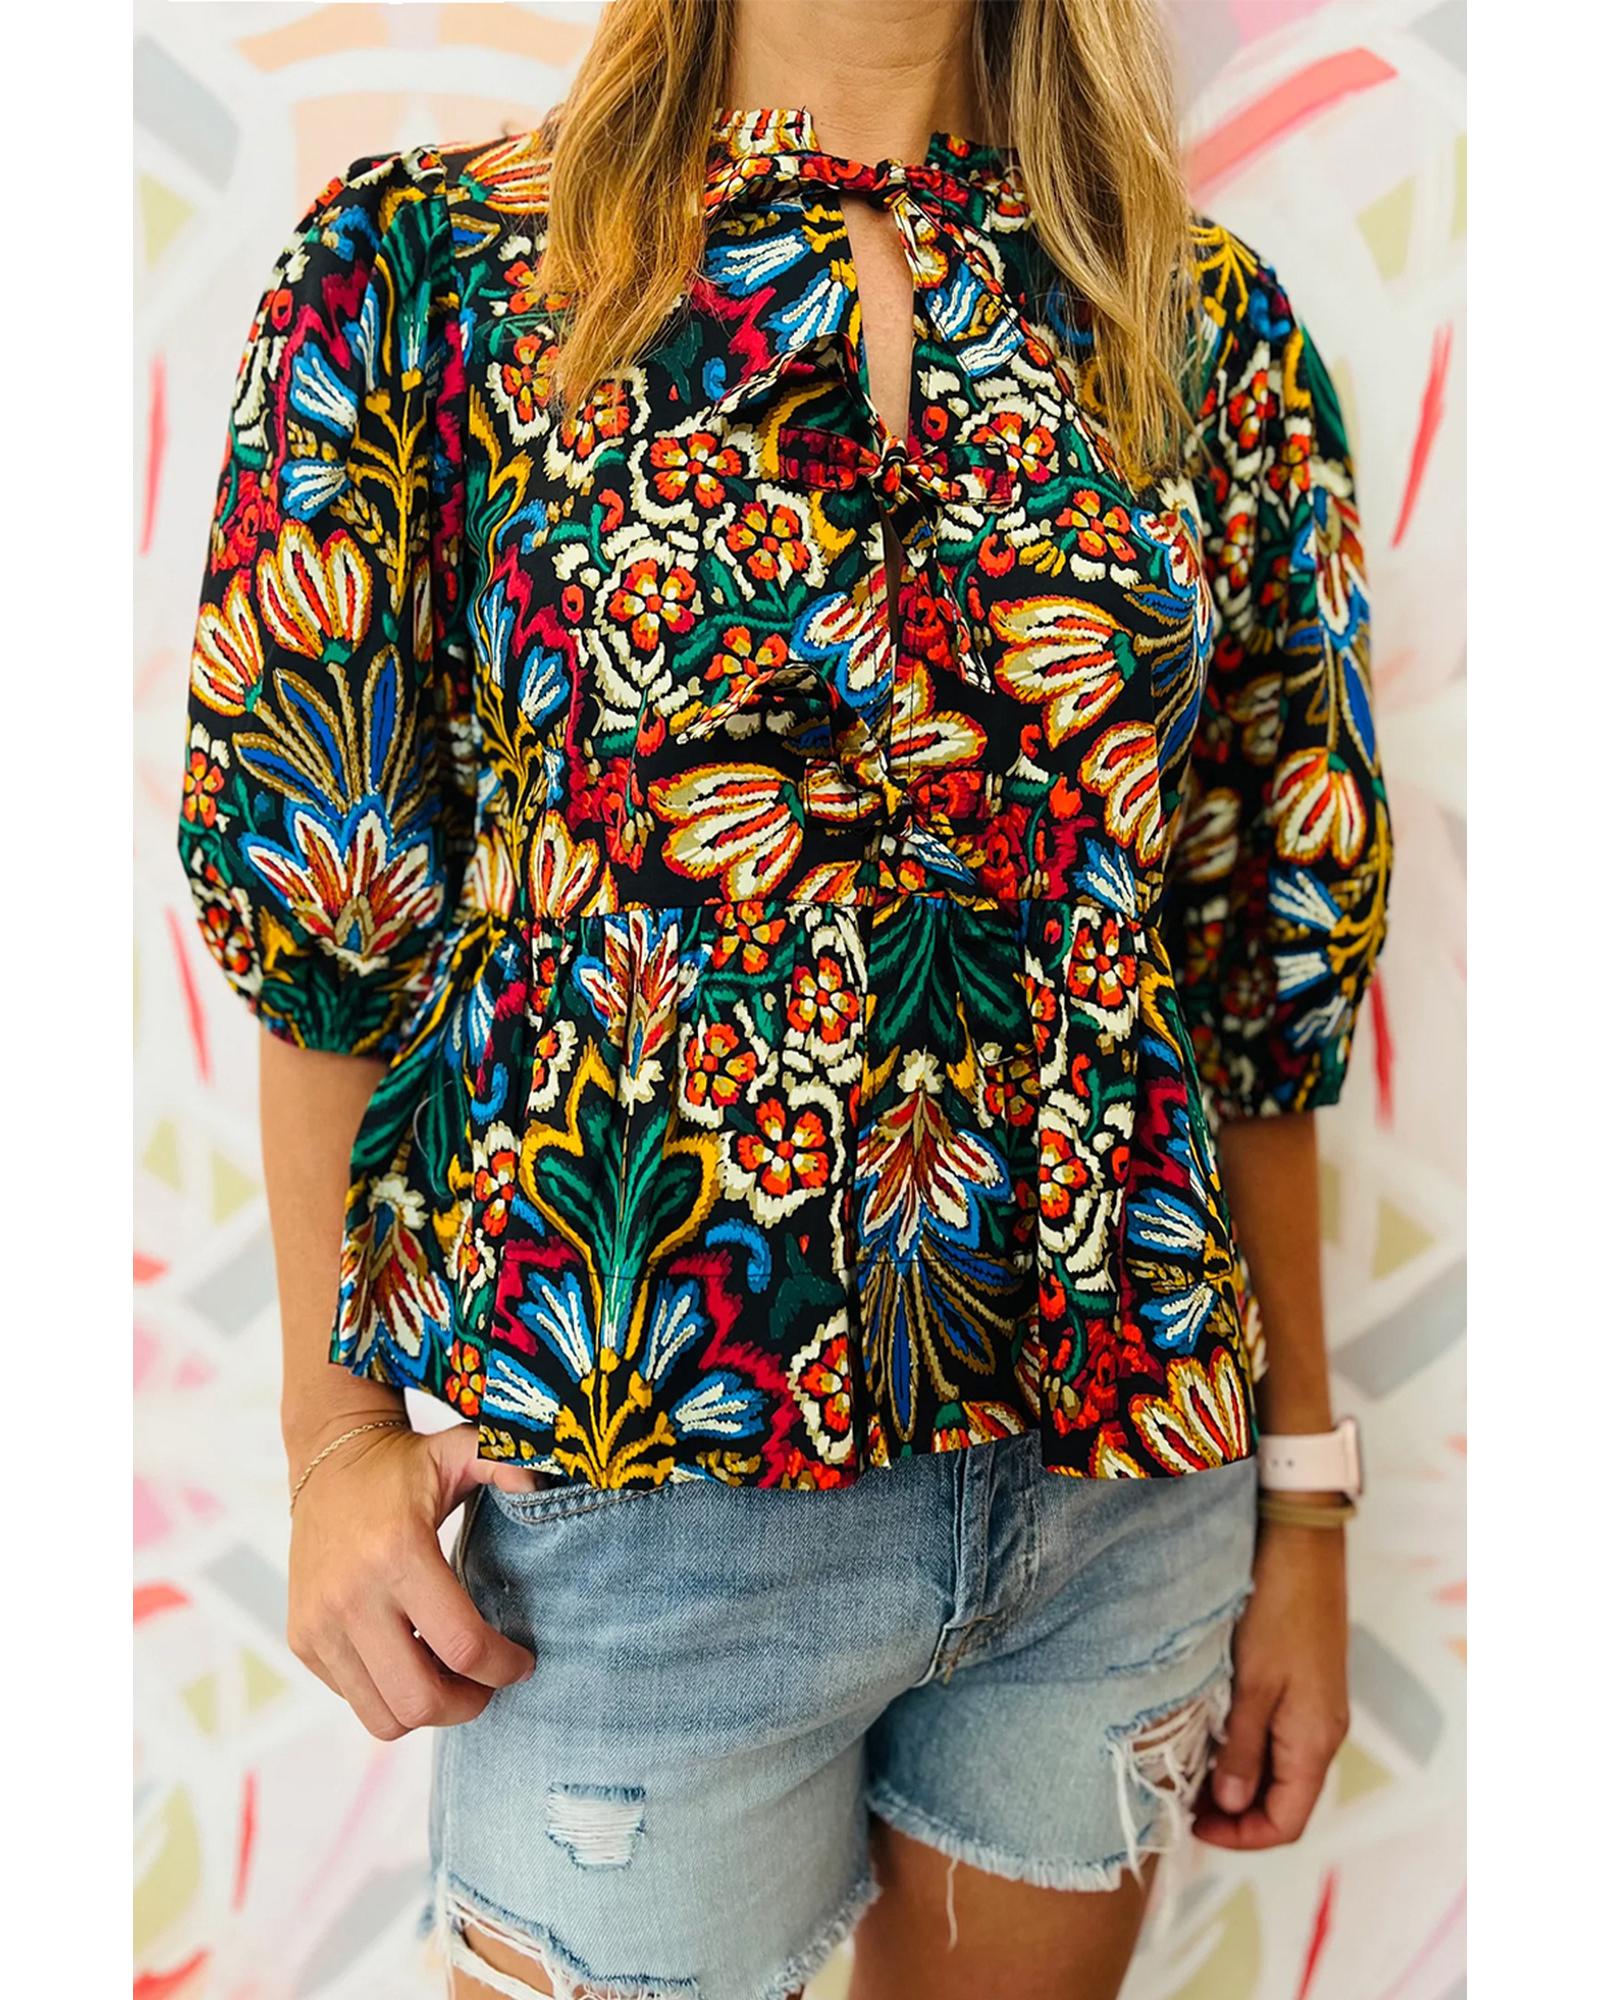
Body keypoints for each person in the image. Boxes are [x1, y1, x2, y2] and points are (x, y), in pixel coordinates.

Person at [175, 0, 1391, 1993]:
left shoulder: (1198, 326)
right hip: (645, 1528)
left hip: (1124, 1507)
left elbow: (1254, 967)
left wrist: (1309, 1508)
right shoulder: (429, 274)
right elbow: (327, 896)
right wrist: (329, 1437)